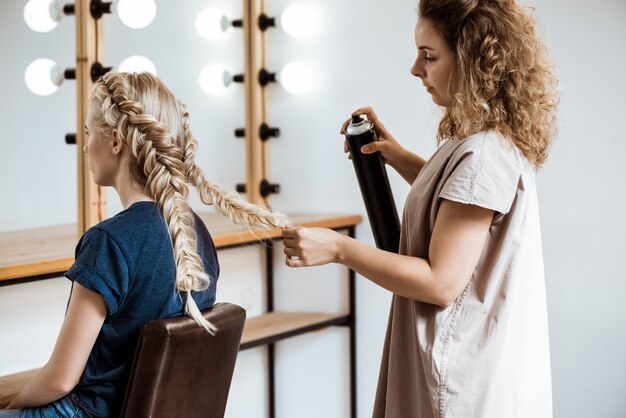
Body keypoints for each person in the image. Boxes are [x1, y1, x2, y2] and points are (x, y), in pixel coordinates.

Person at [282, 0, 558, 416]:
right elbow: (455, 203)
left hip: (457, 383)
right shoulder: (484, 144)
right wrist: (395, 156)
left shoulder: (483, 154)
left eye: (429, 56)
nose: (416, 69)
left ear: (473, 61)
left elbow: (441, 282)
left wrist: (339, 250)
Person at [0, 72, 289, 417]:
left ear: (117, 142)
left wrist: (12, 407)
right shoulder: (194, 232)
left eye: (90, 133)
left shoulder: (108, 242)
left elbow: (60, 379)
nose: (85, 145)